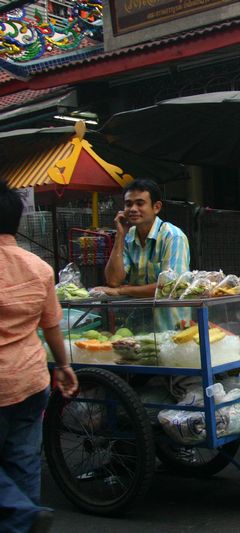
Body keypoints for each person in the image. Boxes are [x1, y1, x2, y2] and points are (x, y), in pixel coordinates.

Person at [0, 181, 78, 533]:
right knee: (23, 461)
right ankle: (26, 517)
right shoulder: (39, 268)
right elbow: (52, 327)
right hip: (32, 380)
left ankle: (22, 513)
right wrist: (64, 366)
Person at [94, 179, 190, 298]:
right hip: (139, 309)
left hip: (169, 310)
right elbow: (113, 281)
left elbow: (171, 287)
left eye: (140, 204)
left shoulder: (173, 236)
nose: (133, 209)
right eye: (128, 204)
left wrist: (123, 290)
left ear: (156, 207)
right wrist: (120, 236)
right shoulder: (128, 235)